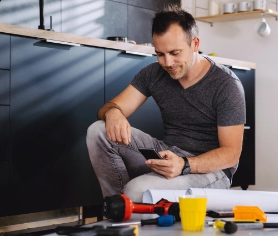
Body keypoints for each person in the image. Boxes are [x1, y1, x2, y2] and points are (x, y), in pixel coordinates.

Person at [86, 5, 245, 202]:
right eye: (160, 54)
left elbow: (231, 154)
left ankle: (127, 206)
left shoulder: (226, 84)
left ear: (195, 44)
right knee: (98, 130)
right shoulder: (153, 74)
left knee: (137, 191)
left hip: (212, 171)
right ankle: (117, 208)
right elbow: (110, 107)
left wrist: (184, 164)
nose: (168, 62)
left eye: (175, 52)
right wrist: (114, 114)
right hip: (169, 155)